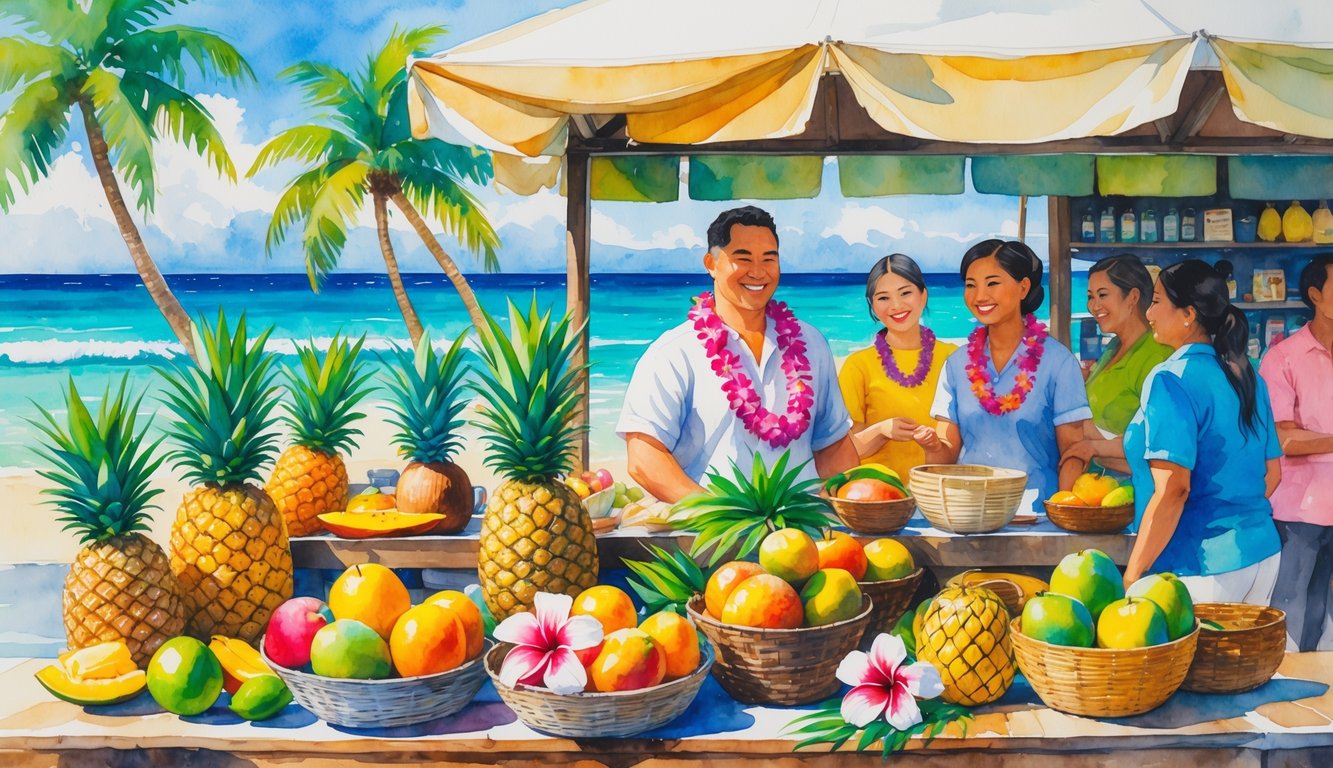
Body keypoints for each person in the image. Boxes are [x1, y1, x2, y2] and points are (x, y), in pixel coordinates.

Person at [616, 206, 858, 503]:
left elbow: (833, 445)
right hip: (709, 537)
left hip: (802, 532)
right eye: (743, 259)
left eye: (769, 258)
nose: (757, 271)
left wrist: (838, 508)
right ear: (711, 264)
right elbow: (644, 456)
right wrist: (715, 513)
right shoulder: (673, 352)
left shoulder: (812, 343)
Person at [1121, 260, 1282, 603]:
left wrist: (1133, 573)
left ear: (1188, 313)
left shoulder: (1169, 379)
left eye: (1156, 301)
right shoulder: (1248, 377)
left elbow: (1173, 490)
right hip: (1261, 553)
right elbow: (1273, 473)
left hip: (1199, 563)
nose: (1149, 313)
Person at [919, 239, 1093, 505]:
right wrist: (932, 446)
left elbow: (1073, 452)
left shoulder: (1059, 362)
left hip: (1038, 513)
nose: (979, 296)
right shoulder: (956, 364)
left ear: (1023, 287)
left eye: (992, 283)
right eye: (970, 285)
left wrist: (1062, 510)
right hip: (970, 511)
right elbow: (945, 458)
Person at [1261, 254, 1333, 649]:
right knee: (1289, 612)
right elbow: (1284, 439)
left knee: (1322, 615)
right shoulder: (1283, 358)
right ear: (1315, 296)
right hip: (1298, 512)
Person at [838, 254, 958, 480]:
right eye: (883, 298)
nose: (896, 306)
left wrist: (934, 444)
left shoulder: (952, 357)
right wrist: (882, 431)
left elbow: (957, 445)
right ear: (872, 305)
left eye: (905, 293)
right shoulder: (858, 365)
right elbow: (845, 451)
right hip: (878, 494)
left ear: (923, 296)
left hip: (937, 494)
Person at [1063, 255, 1172, 475]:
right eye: (1090, 297)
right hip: (1096, 491)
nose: (1094, 306)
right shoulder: (1113, 347)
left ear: (1132, 297)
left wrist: (1083, 431)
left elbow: (1159, 453)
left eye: (1103, 295)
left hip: (1133, 497)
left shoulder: (1157, 356)